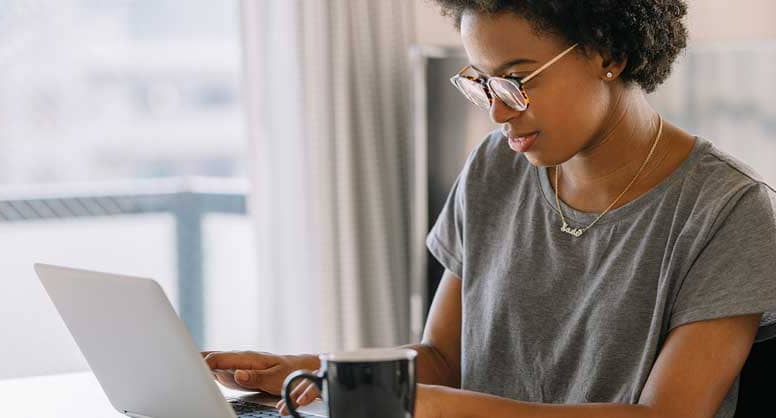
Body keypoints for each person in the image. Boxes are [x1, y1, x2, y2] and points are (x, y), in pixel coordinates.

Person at [204, 1, 776, 417]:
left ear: (609, 54)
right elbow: (440, 359)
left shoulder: (729, 211)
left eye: (517, 80)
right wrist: (309, 372)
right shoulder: (496, 166)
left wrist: (438, 409)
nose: (498, 115)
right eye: (482, 83)